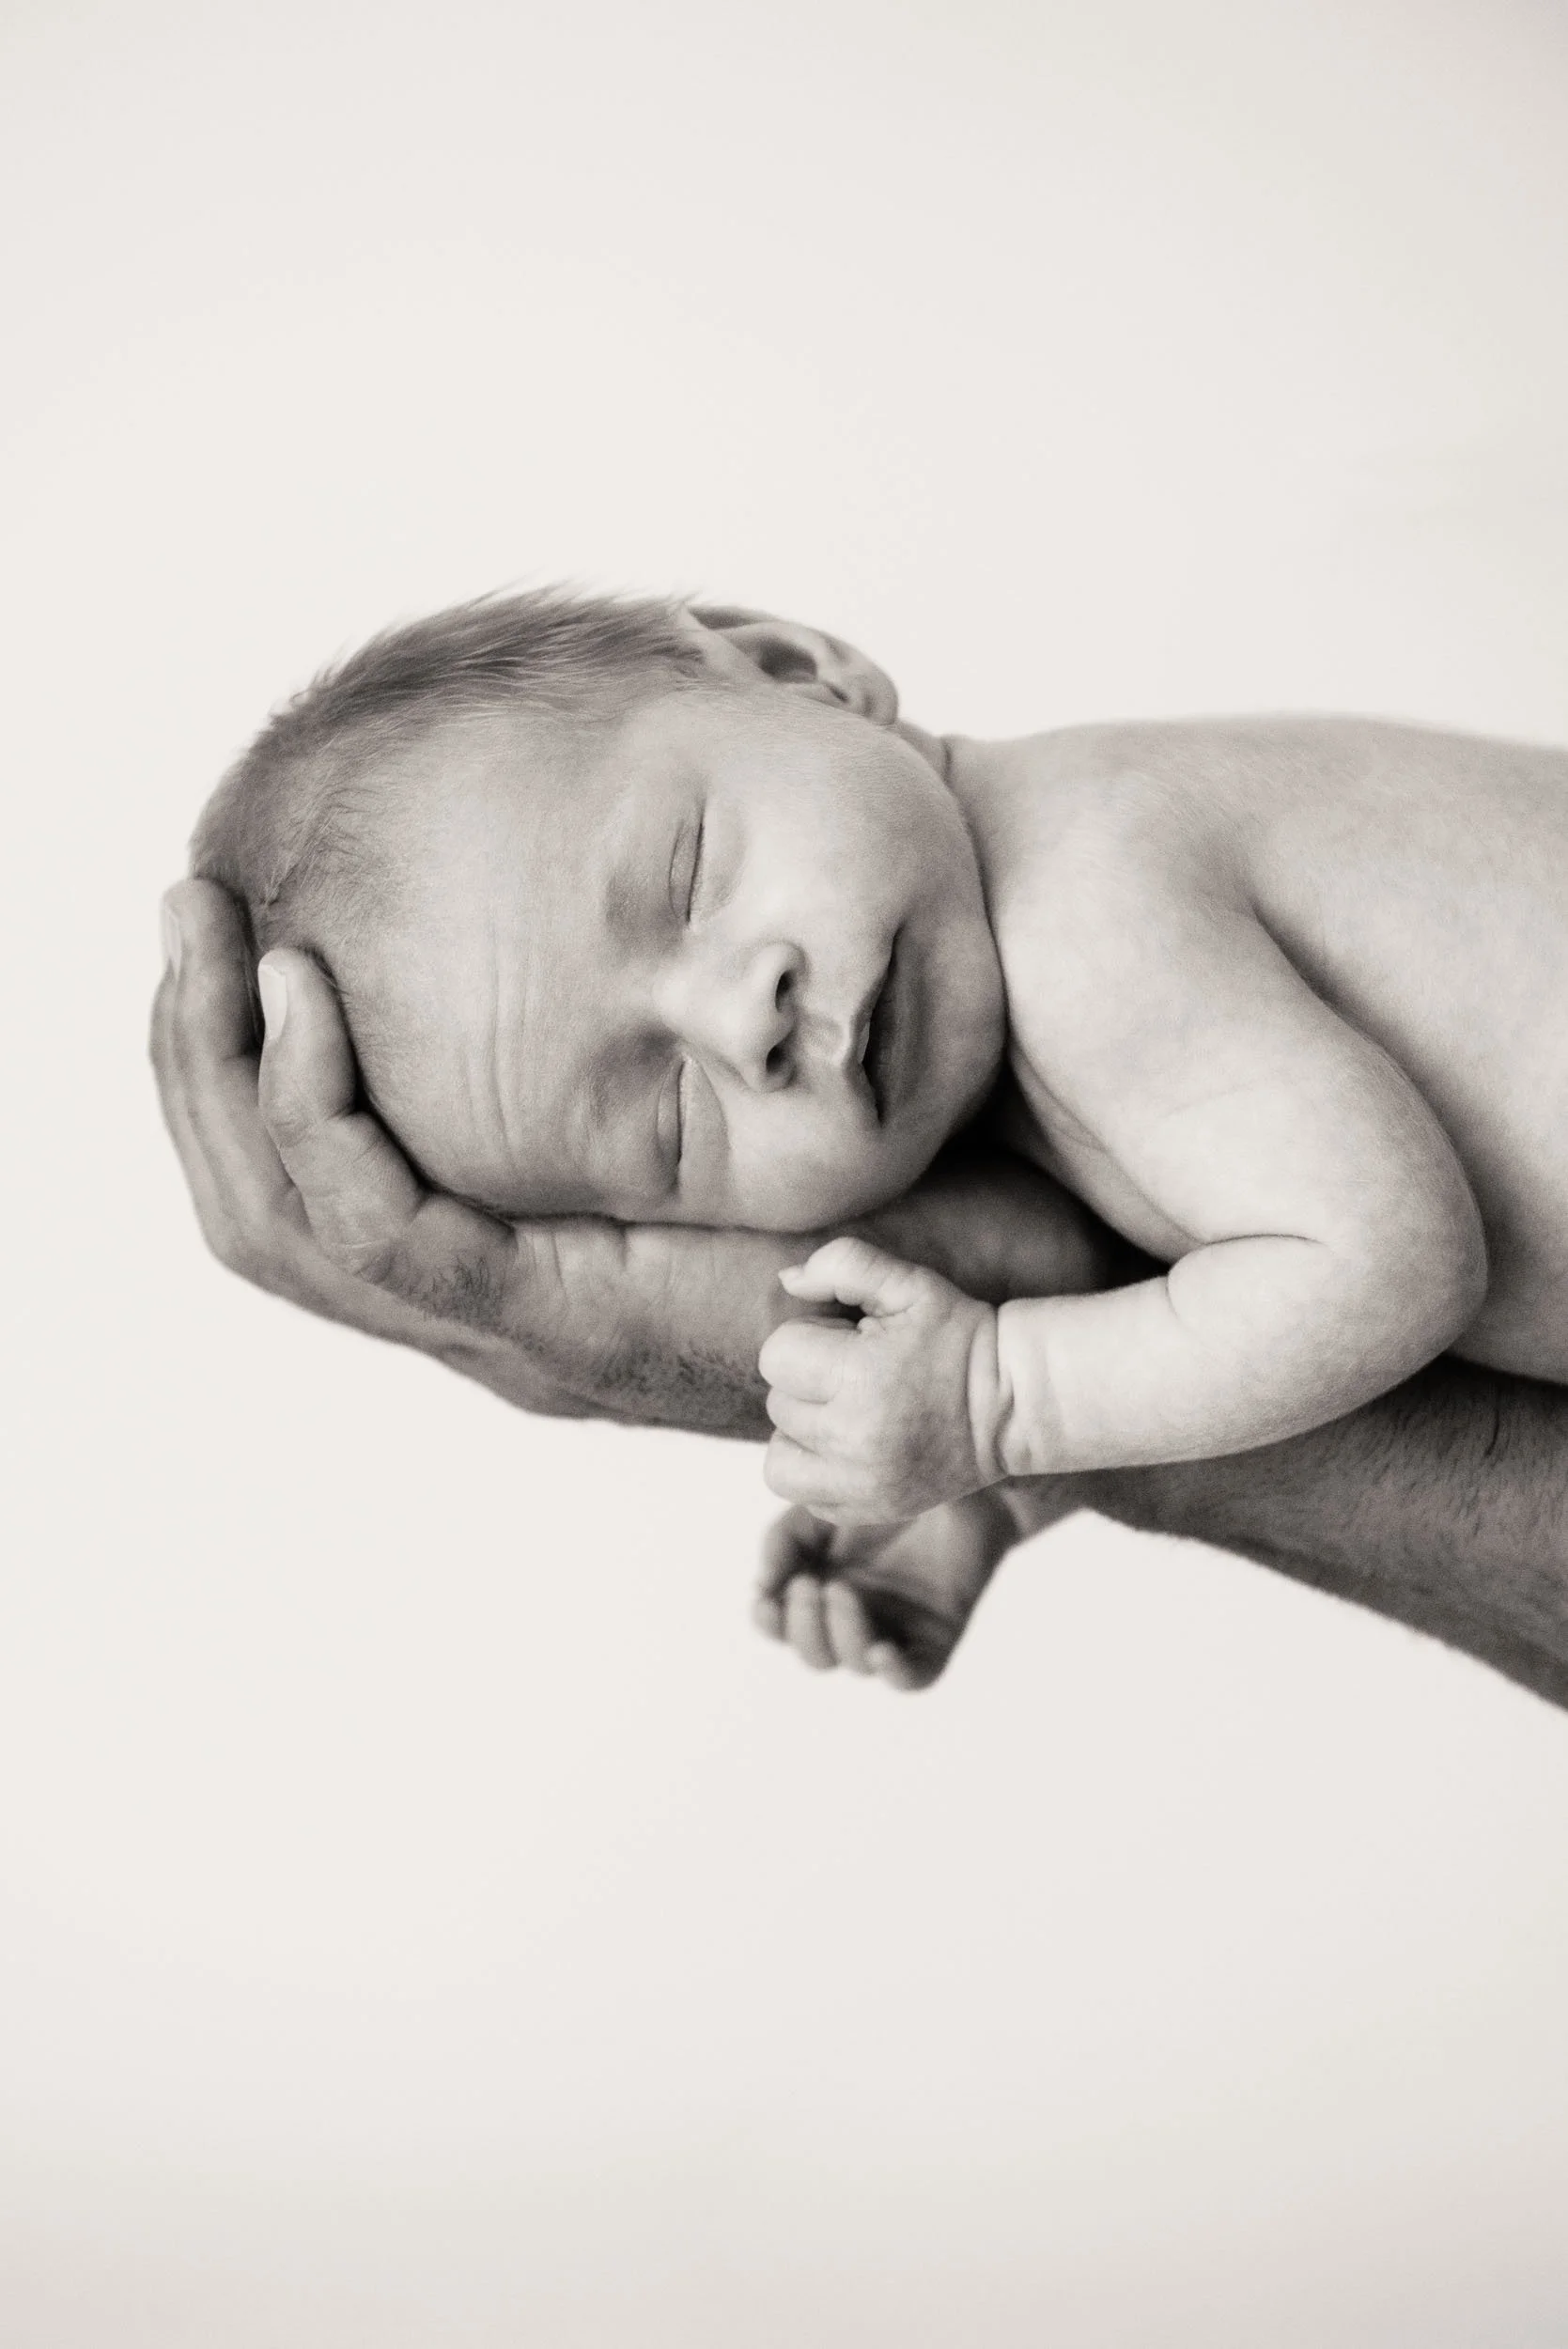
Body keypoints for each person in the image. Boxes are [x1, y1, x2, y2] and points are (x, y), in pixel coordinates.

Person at [154, 591, 1568, 1703]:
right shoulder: (1036, 1018)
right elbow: (1225, 1274)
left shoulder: (1091, 904)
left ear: (791, 669)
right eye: (666, 1114)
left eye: (685, 872)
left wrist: (1006, 1404)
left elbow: (1386, 1262)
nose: (737, 1017)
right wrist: (1003, 1495)